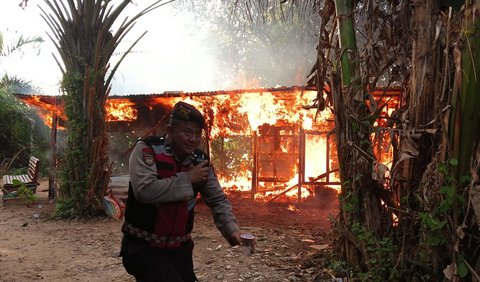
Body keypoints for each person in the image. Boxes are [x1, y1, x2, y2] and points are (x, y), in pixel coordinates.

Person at [120, 101, 242, 282]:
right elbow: (145, 191)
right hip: (143, 248)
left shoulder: (199, 160)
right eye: (187, 132)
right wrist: (188, 178)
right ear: (170, 130)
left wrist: (232, 231)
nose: (193, 139)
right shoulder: (147, 150)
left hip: (179, 250)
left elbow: (217, 200)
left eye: (197, 134)